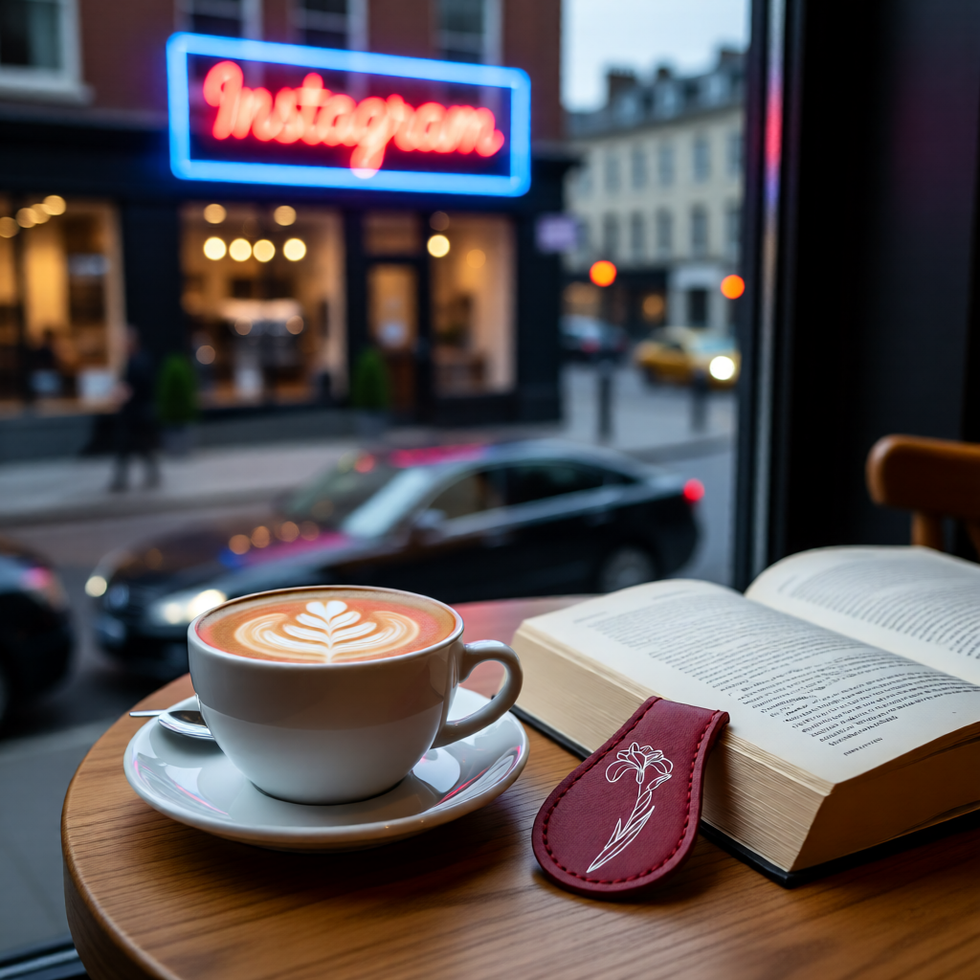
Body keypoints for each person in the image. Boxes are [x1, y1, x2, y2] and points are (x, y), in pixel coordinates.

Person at [109, 327, 159, 492]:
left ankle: (121, 480)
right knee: (136, 447)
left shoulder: (137, 361)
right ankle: (127, 479)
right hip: (137, 413)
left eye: (124, 341)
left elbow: (136, 387)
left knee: (129, 446)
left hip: (136, 413)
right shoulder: (137, 360)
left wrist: (122, 394)